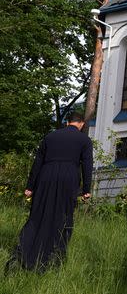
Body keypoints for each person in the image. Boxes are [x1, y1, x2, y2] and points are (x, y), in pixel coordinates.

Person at [8, 112, 93, 271]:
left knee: (37, 214)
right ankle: (54, 259)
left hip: (46, 176)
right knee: (63, 215)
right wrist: (86, 189)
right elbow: (87, 165)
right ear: (81, 124)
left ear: (67, 123)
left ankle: (21, 255)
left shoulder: (50, 137)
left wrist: (30, 186)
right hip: (69, 178)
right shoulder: (84, 140)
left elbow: (37, 162)